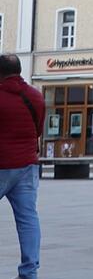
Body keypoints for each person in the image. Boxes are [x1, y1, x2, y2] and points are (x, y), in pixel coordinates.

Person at [0, 53, 45, 279]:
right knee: (28, 219)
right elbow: (38, 130)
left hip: (2, 165)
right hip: (27, 166)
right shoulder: (35, 97)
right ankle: (29, 271)